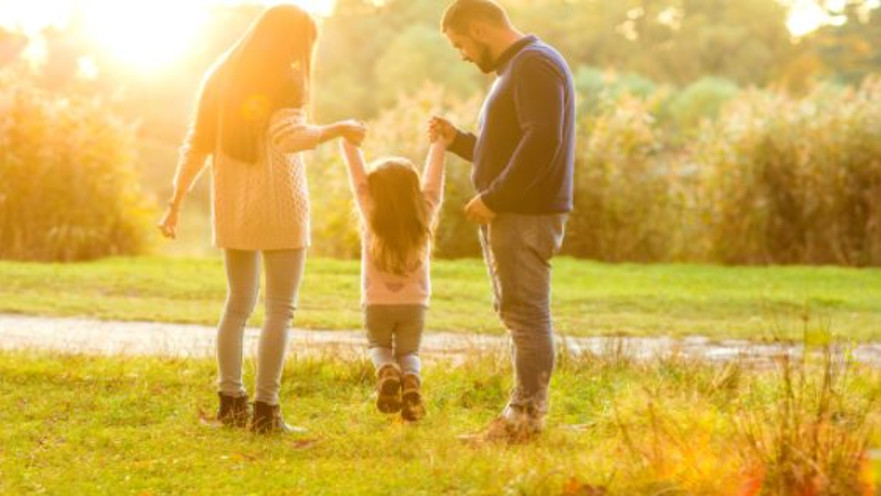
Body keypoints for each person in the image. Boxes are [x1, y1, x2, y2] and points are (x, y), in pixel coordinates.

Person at [157, 4, 366, 434]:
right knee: (280, 310)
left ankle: (231, 405)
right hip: (281, 206)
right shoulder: (287, 78)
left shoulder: (219, 76)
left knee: (237, 306)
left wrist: (175, 201)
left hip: (233, 207)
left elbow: (195, 146)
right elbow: (289, 139)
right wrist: (339, 128)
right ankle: (266, 412)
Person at [429, 0, 575, 441]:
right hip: (516, 211)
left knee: (526, 317)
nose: (463, 55)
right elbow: (506, 149)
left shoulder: (533, 64)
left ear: (479, 29)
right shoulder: (519, 68)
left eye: (461, 44)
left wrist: (495, 198)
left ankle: (524, 421)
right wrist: (458, 141)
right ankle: (522, 416)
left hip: (524, 214)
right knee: (517, 313)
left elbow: (543, 140)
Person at [338, 134, 447, 422]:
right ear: (413, 190)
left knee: (379, 347)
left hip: (376, 301)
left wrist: (349, 144)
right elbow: (433, 186)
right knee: (410, 351)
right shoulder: (424, 215)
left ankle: (387, 371)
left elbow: (359, 184)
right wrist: (439, 145)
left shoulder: (371, 214)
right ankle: (411, 381)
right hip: (415, 303)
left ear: (375, 191)